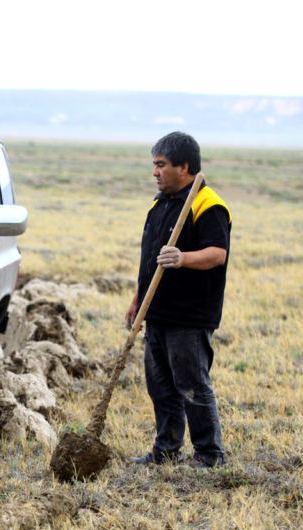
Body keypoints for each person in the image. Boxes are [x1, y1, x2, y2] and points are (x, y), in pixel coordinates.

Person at [127, 132, 231, 468]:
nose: (154, 172)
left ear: (184, 167)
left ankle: (210, 454)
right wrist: (138, 300)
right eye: (154, 165)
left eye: (161, 165)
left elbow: (218, 253)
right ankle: (166, 450)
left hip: (189, 315)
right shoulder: (160, 204)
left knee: (191, 386)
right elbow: (150, 260)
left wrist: (183, 258)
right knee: (160, 387)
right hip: (156, 312)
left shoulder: (207, 204)